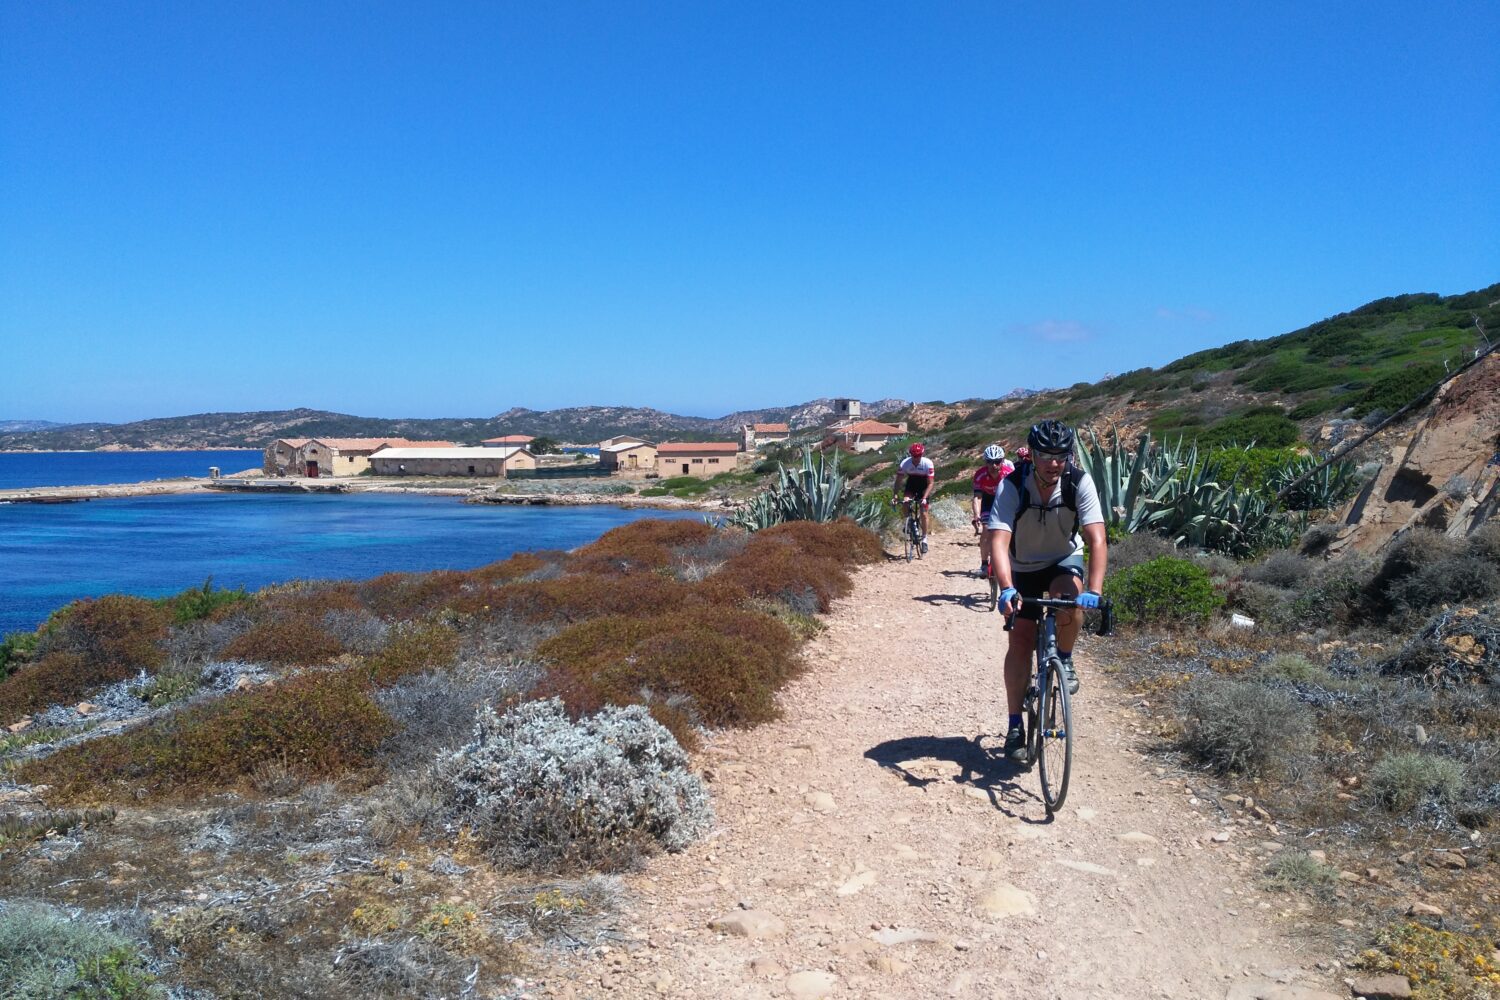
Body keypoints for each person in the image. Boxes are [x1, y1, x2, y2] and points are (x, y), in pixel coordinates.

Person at [985, 419, 1108, 762]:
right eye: (1045, 455)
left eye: (1061, 455)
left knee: (1070, 600)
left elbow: (1097, 539)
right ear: (1032, 455)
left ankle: (1064, 661)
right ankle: (1014, 726)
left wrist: (1094, 590)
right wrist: (1007, 588)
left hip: (1061, 559)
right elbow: (999, 541)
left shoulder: (1078, 482)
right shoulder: (1012, 486)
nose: (1054, 463)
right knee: (1021, 641)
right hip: (1021, 566)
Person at [970, 444, 1014, 577]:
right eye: (989, 462)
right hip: (988, 502)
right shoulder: (980, 475)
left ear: (1002, 461)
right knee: (986, 529)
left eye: (997, 462)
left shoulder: (1009, 473)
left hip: (1004, 501)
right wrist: (977, 515)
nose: (993, 465)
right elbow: (977, 498)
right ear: (985, 462)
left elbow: (1016, 494)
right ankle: (984, 564)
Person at [892, 442, 935, 549]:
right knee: (905, 502)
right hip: (911, 485)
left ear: (922, 454)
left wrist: (924, 498)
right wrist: (895, 495)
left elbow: (930, 483)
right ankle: (909, 522)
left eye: (918, 456)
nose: (916, 458)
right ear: (910, 455)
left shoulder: (928, 463)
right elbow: (898, 481)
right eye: (914, 456)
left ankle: (924, 538)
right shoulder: (904, 463)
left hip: (924, 487)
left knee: (924, 513)